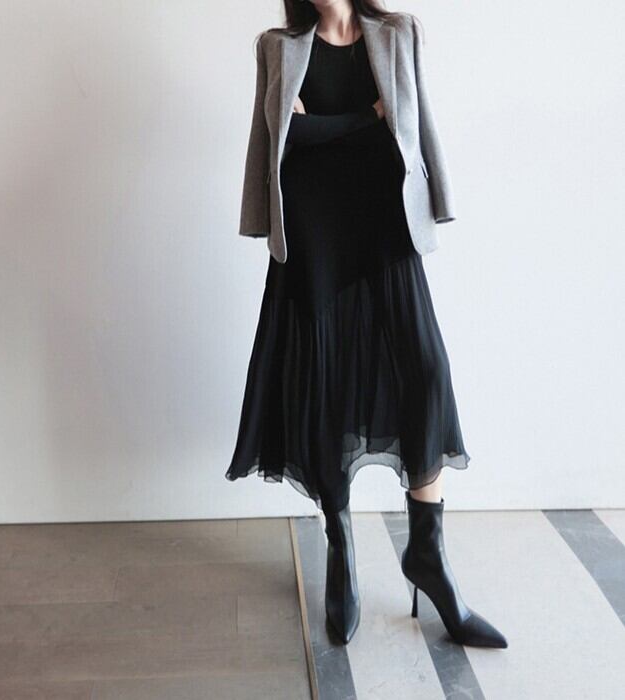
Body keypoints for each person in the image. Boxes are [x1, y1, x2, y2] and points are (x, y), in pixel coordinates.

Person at [226, 0, 507, 649]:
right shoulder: (277, 46)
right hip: (314, 230)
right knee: (324, 389)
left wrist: (329, 129)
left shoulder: (398, 34)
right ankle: (340, 544)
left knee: (426, 371)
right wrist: (364, 119)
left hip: (385, 224)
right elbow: (279, 143)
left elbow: (412, 123)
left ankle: (428, 554)